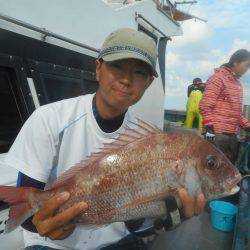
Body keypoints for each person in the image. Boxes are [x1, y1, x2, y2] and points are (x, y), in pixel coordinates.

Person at [4, 28, 205, 250]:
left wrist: (158, 219)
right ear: (98, 69)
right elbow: (29, 216)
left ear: (148, 83)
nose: (127, 79)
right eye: (117, 66)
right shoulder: (49, 119)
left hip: (117, 241)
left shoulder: (149, 140)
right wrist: (43, 225)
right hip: (52, 245)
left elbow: (132, 219)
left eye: (139, 73)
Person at [200, 49, 250, 164]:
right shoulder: (218, 78)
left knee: (227, 173)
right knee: (214, 173)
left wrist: (247, 126)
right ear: (236, 62)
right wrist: (209, 130)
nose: (246, 70)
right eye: (246, 66)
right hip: (217, 135)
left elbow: (236, 114)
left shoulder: (237, 84)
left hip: (231, 136)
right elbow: (205, 106)